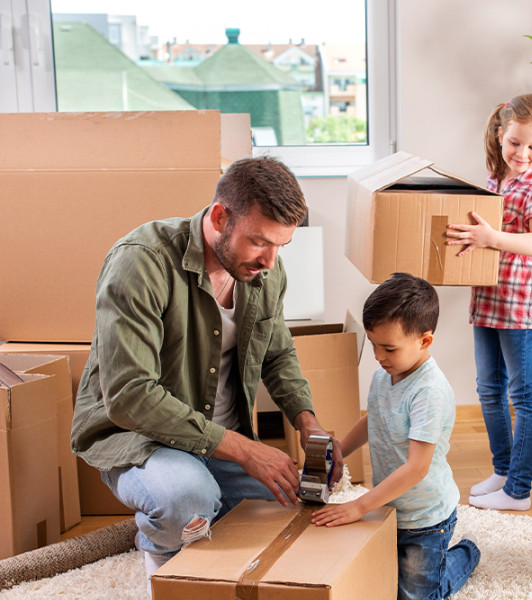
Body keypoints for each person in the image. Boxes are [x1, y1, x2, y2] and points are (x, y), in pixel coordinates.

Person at [70, 156, 344, 591]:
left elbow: (277, 354)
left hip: (222, 443)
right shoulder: (141, 262)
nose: (270, 262)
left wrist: (308, 422)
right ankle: (161, 557)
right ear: (219, 217)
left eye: (281, 246)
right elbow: (130, 395)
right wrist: (245, 451)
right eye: (258, 242)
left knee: (298, 508)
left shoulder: (266, 271)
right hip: (145, 438)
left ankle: (192, 516)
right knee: (186, 504)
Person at [310, 272, 480, 600]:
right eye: (373, 344)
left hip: (426, 519)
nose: (378, 355)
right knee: (381, 582)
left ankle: (467, 553)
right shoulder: (382, 376)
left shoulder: (429, 392)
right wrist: (341, 450)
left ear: (425, 341)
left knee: (415, 597)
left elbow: (417, 468)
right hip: (391, 510)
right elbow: (373, 418)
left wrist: (360, 506)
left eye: (388, 348)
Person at [444, 93, 532, 511]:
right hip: (487, 297)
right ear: (499, 135)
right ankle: (503, 469)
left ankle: (519, 490)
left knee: (524, 394)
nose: (523, 154)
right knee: (489, 389)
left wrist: (491, 239)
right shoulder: (495, 179)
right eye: (515, 143)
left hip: (519, 302)